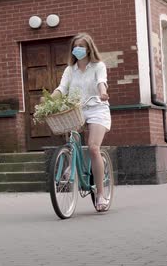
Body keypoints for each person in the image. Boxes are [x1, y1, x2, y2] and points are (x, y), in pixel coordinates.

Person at [51, 33, 111, 212]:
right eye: (75, 46)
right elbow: (62, 88)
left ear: (89, 48)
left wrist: (102, 92)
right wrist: (49, 101)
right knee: (72, 139)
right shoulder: (70, 69)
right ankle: (71, 162)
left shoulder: (98, 66)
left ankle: (100, 194)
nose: (78, 49)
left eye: (82, 46)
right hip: (76, 109)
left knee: (93, 148)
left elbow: (101, 82)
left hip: (97, 107)